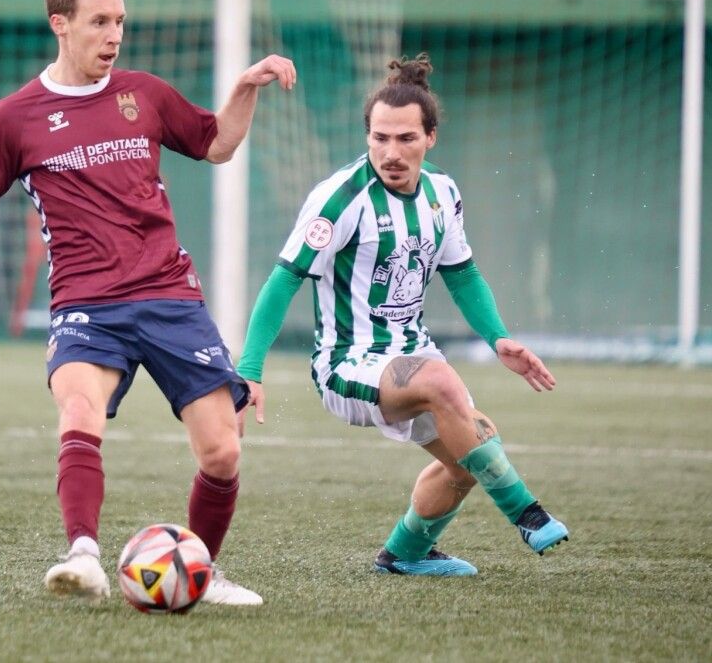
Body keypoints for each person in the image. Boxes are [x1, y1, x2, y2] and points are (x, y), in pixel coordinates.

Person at [0, 0, 295, 604]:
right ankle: (82, 553)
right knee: (79, 411)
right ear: (61, 23)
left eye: (120, 21)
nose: (114, 35)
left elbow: (219, 143)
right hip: (87, 304)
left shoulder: (145, 93)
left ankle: (200, 568)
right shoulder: (17, 118)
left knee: (223, 450)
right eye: (99, 22)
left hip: (169, 295)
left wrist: (247, 85)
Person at [236, 53, 568, 576]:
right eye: (379, 138)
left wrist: (498, 338)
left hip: (411, 351)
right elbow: (283, 280)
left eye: (405, 139)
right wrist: (250, 369)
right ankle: (527, 513)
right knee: (442, 382)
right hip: (347, 364)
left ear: (430, 137)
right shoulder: (340, 200)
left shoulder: (442, 192)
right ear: (367, 136)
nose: (390, 152)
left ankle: (404, 554)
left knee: (471, 452)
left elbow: (461, 274)